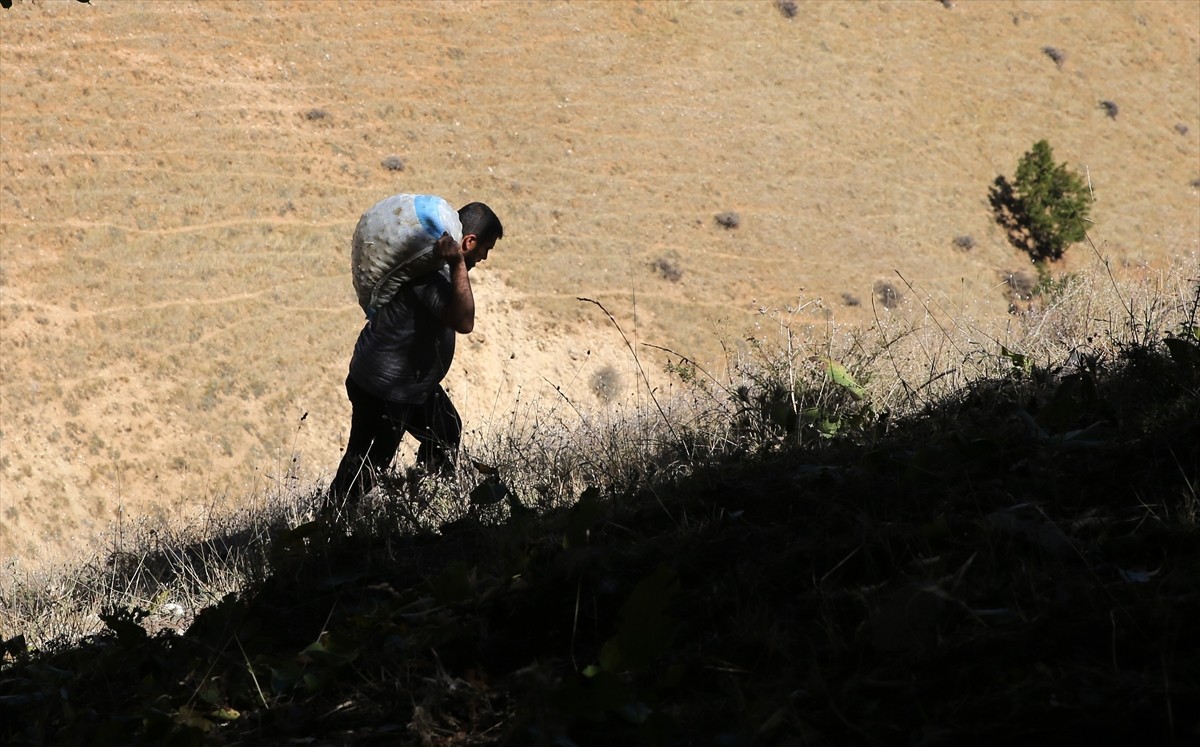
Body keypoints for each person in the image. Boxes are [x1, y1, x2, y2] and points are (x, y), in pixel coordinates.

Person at [329, 200, 504, 506]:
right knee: (368, 462)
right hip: (383, 388)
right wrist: (459, 264)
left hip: (406, 385)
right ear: (469, 242)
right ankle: (330, 524)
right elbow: (464, 322)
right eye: (485, 249)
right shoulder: (432, 275)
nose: (485, 257)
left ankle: (431, 499)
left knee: (446, 429)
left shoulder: (433, 267)